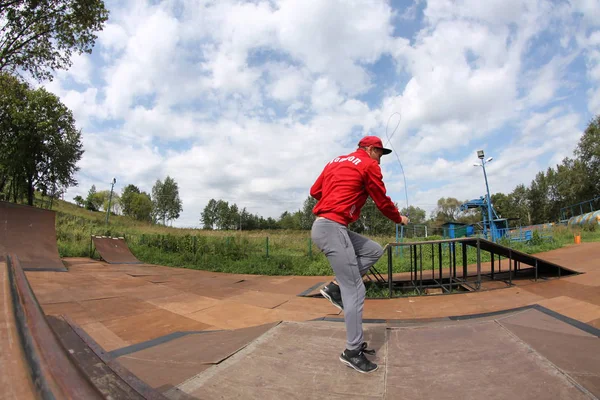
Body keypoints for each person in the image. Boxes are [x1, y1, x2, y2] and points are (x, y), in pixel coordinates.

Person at [309, 135, 409, 374]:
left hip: (328, 226)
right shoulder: (368, 164)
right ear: (370, 149)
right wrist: (399, 218)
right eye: (380, 154)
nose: (381, 160)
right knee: (355, 289)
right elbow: (382, 200)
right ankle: (351, 351)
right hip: (332, 227)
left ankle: (334, 288)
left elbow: (315, 191)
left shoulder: (335, 161)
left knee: (373, 250)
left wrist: (339, 196)